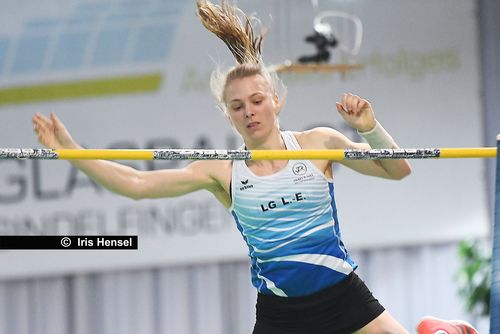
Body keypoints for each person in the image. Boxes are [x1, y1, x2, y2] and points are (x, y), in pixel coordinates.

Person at [32, 1, 479, 333]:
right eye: (238, 105)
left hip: (342, 294)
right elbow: (135, 184)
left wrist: (369, 127)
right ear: (227, 114)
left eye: (258, 100)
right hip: (281, 311)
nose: (250, 111)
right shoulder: (223, 174)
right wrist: (70, 149)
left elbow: (398, 170)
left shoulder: (317, 144)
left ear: (277, 101)